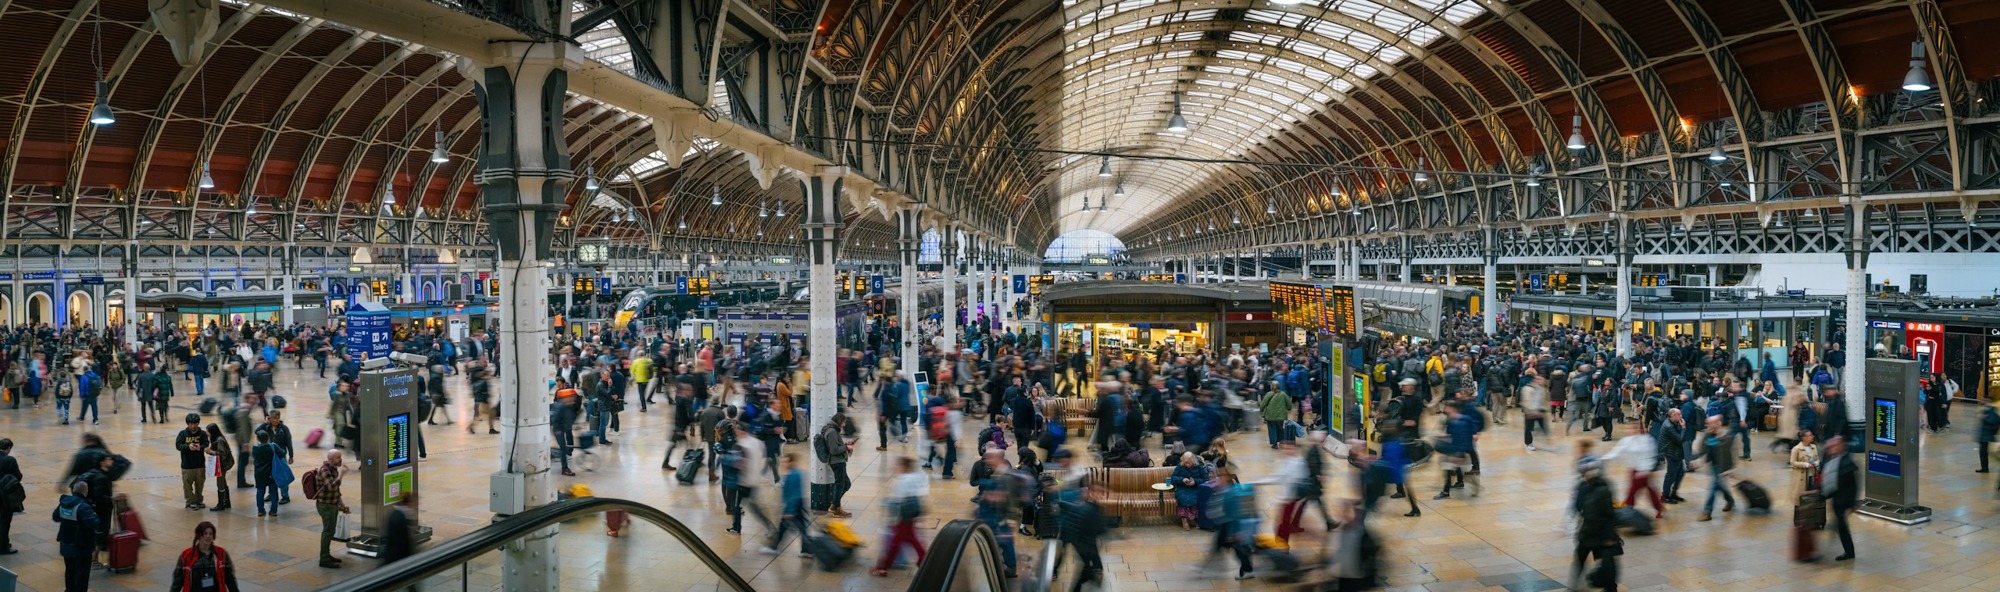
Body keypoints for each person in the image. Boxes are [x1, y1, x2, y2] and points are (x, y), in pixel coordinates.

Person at [1568, 460, 1622, 592]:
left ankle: (1610, 588)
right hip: (1588, 531)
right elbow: (1577, 506)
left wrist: (1609, 536)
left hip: (1600, 533)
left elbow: (1609, 514)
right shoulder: (1584, 486)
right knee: (1581, 560)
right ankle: (1575, 586)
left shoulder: (1602, 489)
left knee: (1607, 563)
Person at [872, 456, 929, 577]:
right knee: (911, 539)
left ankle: (882, 567)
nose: (895, 468)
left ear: (903, 467)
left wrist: (891, 518)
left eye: (897, 466)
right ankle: (923, 560)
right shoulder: (915, 477)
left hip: (903, 515)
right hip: (912, 513)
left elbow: (897, 500)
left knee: (895, 542)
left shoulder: (901, 480)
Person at [1600, 422, 1663, 519]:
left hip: (1644, 471)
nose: (1631, 430)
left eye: (1634, 428)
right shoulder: (1626, 440)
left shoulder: (1646, 439)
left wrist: (1647, 470)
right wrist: (1604, 458)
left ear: (1639, 429)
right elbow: (1616, 451)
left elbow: (1650, 455)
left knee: (1632, 493)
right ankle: (1658, 509)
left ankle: (1627, 511)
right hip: (1634, 470)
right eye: (1629, 428)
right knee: (1649, 491)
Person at [1061, 482, 1110, 592]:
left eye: (1101, 493)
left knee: (1085, 566)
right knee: (1085, 565)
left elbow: (1101, 530)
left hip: (1083, 541)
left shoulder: (1093, 507)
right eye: (1096, 493)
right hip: (1081, 542)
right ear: (1091, 494)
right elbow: (1101, 530)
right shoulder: (1090, 509)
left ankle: (1088, 579)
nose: (1099, 496)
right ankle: (1087, 580)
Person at [759, 453, 810, 556]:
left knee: (784, 527)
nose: (784, 464)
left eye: (786, 462)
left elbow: (794, 495)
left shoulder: (792, 475)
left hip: (792, 507)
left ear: (792, 462)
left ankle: (774, 547)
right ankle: (806, 549)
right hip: (798, 505)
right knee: (802, 528)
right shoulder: (797, 473)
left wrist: (789, 511)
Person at [55, 480, 100, 592]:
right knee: (81, 574)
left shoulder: (64, 503)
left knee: (69, 570)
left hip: (66, 543)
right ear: (85, 491)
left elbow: (55, 517)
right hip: (81, 546)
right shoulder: (83, 506)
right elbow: (95, 523)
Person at [170, 521, 239, 592]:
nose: (208, 536)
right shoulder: (186, 555)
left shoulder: (222, 554)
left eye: (211, 534)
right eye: (205, 533)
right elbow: (177, 582)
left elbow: (230, 580)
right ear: (198, 535)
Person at [1692, 415, 1737, 521]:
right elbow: (1702, 450)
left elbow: (1730, 454)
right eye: (1707, 423)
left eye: (1710, 423)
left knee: (1713, 487)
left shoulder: (1726, 436)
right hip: (1713, 465)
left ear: (1718, 423)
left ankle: (1707, 512)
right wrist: (1697, 461)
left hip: (1722, 466)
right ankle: (1730, 500)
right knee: (1719, 486)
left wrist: (1731, 470)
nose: (1708, 425)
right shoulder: (1707, 434)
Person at [1821, 436, 1858, 561]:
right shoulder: (1830, 458)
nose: (1831, 448)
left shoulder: (1847, 463)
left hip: (1843, 500)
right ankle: (1846, 548)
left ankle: (1849, 552)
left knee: (1841, 524)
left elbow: (1854, 485)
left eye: (1834, 446)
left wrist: (1853, 503)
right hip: (1835, 498)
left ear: (1842, 447)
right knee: (1839, 522)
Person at [313, 449, 350, 568]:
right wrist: (342, 474)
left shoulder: (332, 468)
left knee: (330, 530)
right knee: (328, 531)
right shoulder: (324, 470)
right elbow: (332, 487)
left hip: (332, 504)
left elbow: (336, 491)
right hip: (326, 505)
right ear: (330, 459)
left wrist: (341, 503)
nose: (341, 459)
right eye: (338, 457)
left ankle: (327, 555)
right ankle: (324, 559)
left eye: (340, 457)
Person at [816, 413, 856, 517]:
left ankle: (834, 504)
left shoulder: (832, 430)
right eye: (843, 422)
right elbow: (834, 450)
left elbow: (836, 446)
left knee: (846, 484)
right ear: (839, 421)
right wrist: (847, 448)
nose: (844, 425)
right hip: (837, 462)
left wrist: (846, 444)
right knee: (840, 484)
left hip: (838, 461)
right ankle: (836, 508)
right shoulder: (832, 432)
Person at [256, 412, 295, 504]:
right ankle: (271, 493)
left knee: (282, 475)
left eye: (277, 418)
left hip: (280, 456)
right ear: (269, 418)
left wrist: (291, 455)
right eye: (273, 418)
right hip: (269, 457)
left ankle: (285, 496)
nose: (276, 420)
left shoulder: (284, 428)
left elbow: (288, 442)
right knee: (271, 476)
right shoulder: (266, 428)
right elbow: (257, 432)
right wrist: (265, 423)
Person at [177, 413, 210, 510]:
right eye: (191, 424)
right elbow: (178, 445)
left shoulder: (202, 434)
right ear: (187, 424)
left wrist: (201, 447)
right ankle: (190, 501)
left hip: (200, 465)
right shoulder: (182, 434)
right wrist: (188, 447)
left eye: (195, 424)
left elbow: (206, 444)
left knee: (200, 485)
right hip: (187, 465)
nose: (193, 426)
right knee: (187, 485)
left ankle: (199, 500)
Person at [1169, 451, 1209, 530]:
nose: (1187, 465)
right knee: (1183, 498)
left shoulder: (1200, 466)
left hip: (1195, 487)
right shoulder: (1180, 466)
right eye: (1185, 463)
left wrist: (1195, 481)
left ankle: (1195, 518)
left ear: (1193, 460)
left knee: (1196, 498)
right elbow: (1173, 478)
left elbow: (1205, 479)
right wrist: (1182, 479)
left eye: (1189, 463)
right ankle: (1184, 519)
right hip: (1182, 487)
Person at [383, 492, 419, 567]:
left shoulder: (397, 514)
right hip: (397, 559)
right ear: (409, 503)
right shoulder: (400, 518)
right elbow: (402, 542)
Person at [204, 424, 234, 512]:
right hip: (221, 464)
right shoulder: (217, 439)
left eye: (208, 431)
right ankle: (226, 501)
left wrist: (211, 452)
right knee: (223, 482)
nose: (207, 433)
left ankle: (221, 504)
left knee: (220, 483)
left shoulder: (219, 440)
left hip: (222, 465)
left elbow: (222, 453)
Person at [0, 438, 18, 554]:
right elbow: (17, 476)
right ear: (8, 448)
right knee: (5, 522)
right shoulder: (10, 460)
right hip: (4, 496)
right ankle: (3, 546)